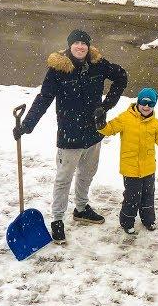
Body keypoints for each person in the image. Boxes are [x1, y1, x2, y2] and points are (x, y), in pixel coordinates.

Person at [13, 29, 128, 244]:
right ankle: (57, 219)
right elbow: (44, 98)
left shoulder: (98, 64)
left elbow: (122, 77)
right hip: (69, 134)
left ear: (88, 46)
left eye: (83, 43)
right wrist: (27, 125)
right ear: (69, 46)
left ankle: (81, 208)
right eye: (76, 43)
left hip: (94, 132)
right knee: (63, 179)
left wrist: (106, 106)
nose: (80, 47)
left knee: (87, 173)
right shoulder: (58, 70)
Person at [94, 87, 158, 234]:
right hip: (131, 169)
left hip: (148, 168)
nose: (147, 106)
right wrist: (101, 123)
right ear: (138, 101)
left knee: (148, 197)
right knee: (132, 198)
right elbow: (110, 129)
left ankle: (148, 220)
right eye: (144, 102)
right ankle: (127, 222)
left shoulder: (155, 123)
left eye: (151, 104)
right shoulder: (125, 118)